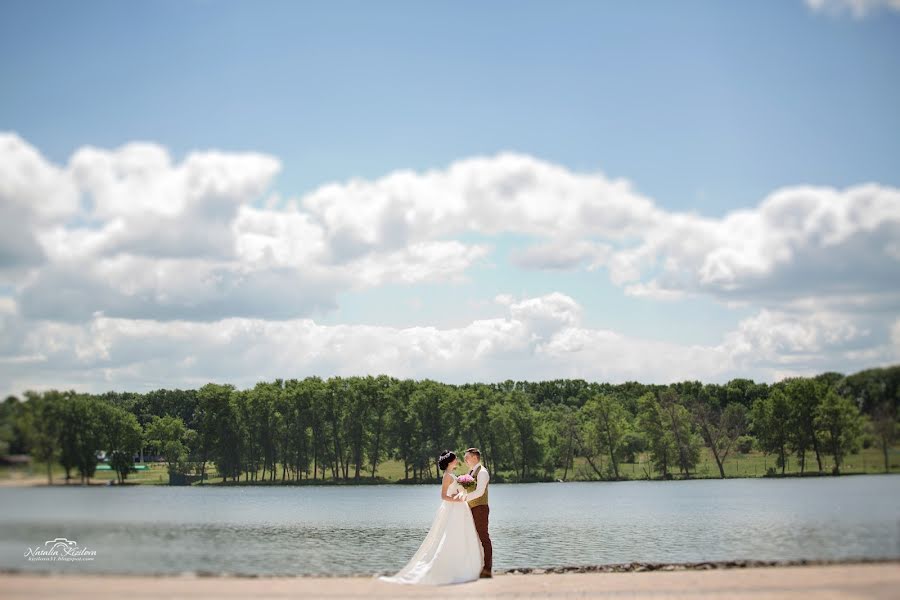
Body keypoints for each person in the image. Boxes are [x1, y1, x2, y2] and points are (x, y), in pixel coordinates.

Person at [378, 450, 483, 585]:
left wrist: (463, 491)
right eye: (455, 459)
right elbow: (444, 496)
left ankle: (461, 566)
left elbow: (455, 491)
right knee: (449, 537)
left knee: (459, 536)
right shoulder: (447, 476)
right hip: (453, 509)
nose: (457, 460)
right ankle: (444, 568)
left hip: (459, 509)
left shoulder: (452, 474)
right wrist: (458, 500)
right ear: (450, 462)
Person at [458, 447, 492, 578]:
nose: (465, 460)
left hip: (480, 508)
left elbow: (480, 492)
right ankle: (476, 566)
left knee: (483, 537)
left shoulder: (482, 472)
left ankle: (487, 569)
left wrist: (464, 499)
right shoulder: (471, 472)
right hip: (471, 508)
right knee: (473, 537)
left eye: (467, 457)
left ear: (474, 457)